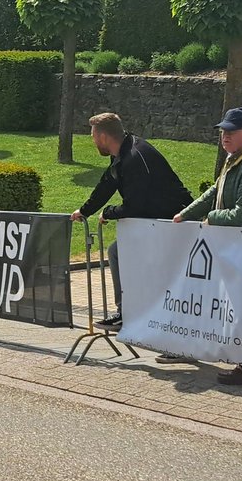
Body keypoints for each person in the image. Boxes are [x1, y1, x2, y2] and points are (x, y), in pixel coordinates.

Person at [173, 107, 242, 386]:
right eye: (223, 131)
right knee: (237, 306)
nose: (224, 136)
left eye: (231, 132)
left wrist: (210, 218)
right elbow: (214, 192)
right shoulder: (237, 159)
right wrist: (186, 214)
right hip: (238, 249)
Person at [71, 113, 192, 329]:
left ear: (104, 137)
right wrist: (85, 210)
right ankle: (126, 312)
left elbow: (135, 206)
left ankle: (132, 315)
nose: (92, 141)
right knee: (118, 251)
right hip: (156, 222)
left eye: (93, 137)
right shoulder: (122, 152)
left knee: (119, 252)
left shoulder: (135, 157)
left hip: (173, 223)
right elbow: (107, 183)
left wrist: (108, 212)